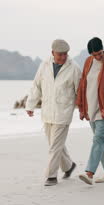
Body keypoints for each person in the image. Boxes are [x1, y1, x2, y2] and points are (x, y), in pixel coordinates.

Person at [26, 39, 81, 186]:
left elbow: (80, 91)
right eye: (60, 55)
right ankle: (69, 166)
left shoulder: (74, 68)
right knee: (55, 144)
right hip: (48, 112)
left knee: (54, 146)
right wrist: (30, 104)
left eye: (65, 54)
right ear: (52, 53)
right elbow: (37, 86)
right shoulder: (44, 65)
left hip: (64, 112)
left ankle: (51, 176)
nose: (63, 57)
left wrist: (83, 109)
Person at [77, 37, 104, 185]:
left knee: (97, 139)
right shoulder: (88, 62)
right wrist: (82, 108)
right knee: (101, 141)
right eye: (94, 55)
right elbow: (83, 85)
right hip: (91, 109)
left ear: (103, 49)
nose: (97, 57)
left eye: (99, 53)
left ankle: (89, 173)